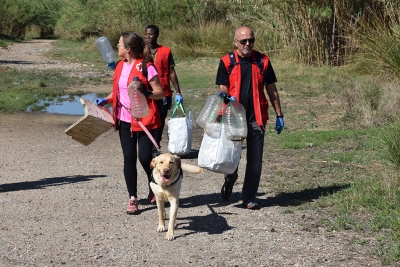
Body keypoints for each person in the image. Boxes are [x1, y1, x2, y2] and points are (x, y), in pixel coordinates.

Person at [94, 31, 165, 214]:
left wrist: (146, 93)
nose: (116, 47)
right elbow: (117, 94)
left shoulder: (146, 67)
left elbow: (160, 93)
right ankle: (133, 198)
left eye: (119, 44)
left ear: (128, 48)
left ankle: (154, 185)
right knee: (129, 158)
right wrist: (105, 100)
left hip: (145, 120)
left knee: (144, 158)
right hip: (124, 119)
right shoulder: (119, 66)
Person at [215, 26, 285, 210]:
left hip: (257, 118)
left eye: (251, 40)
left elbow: (272, 89)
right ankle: (230, 180)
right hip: (234, 118)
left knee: (255, 160)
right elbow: (223, 87)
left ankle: (249, 197)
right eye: (244, 41)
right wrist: (223, 96)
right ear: (235, 42)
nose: (248, 44)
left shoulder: (263, 61)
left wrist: (279, 114)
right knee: (233, 158)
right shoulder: (226, 61)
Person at [144, 25, 183, 157]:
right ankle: (147, 145)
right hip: (147, 93)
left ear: (157, 35)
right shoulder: (141, 51)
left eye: (151, 34)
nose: (148, 36)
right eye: (146, 34)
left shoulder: (165, 51)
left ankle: (156, 146)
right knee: (148, 119)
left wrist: (178, 92)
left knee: (160, 120)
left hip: (164, 93)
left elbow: (171, 72)